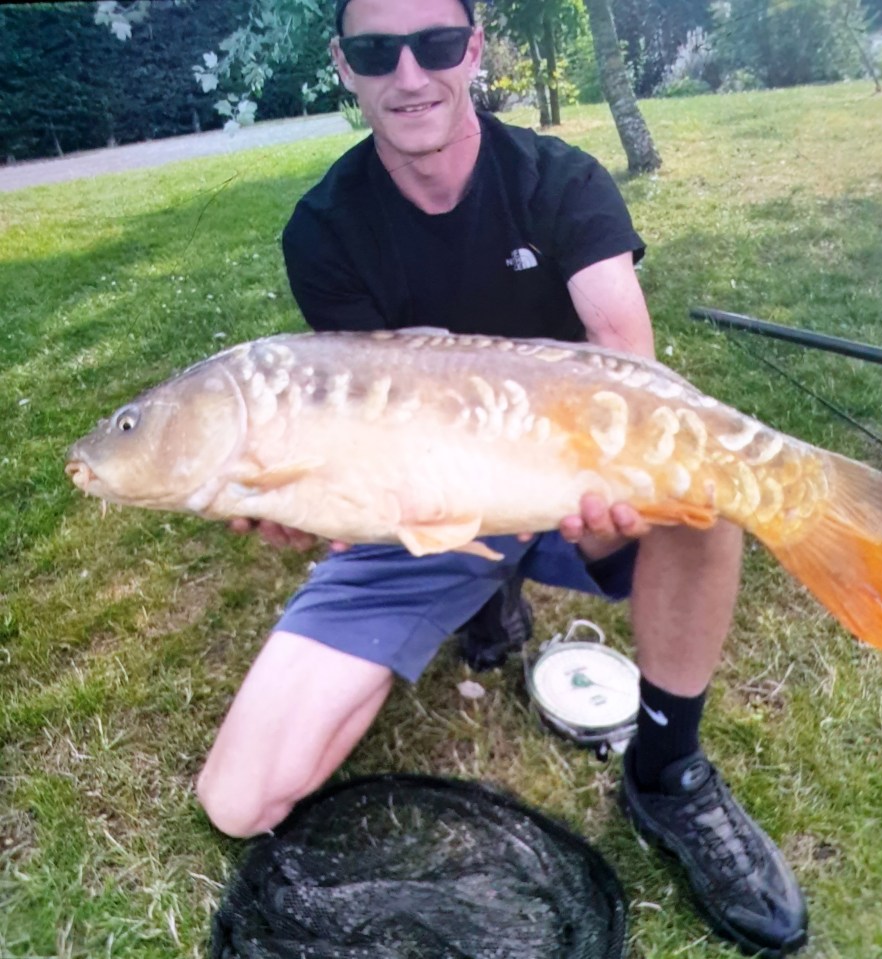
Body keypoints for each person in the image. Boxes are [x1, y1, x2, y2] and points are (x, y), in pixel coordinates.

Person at [195, 0, 808, 955]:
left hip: (571, 482)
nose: (409, 75)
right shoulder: (323, 227)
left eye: (436, 45)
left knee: (701, 488)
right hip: (416, 507)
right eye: (375, 51)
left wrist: (614, 507)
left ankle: (668, 766)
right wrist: (298, 498)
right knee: (238, 799)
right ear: (344, 68)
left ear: (473, 51)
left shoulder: (558, 180)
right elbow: (355, 434)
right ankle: (480, 592)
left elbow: (627, 363)